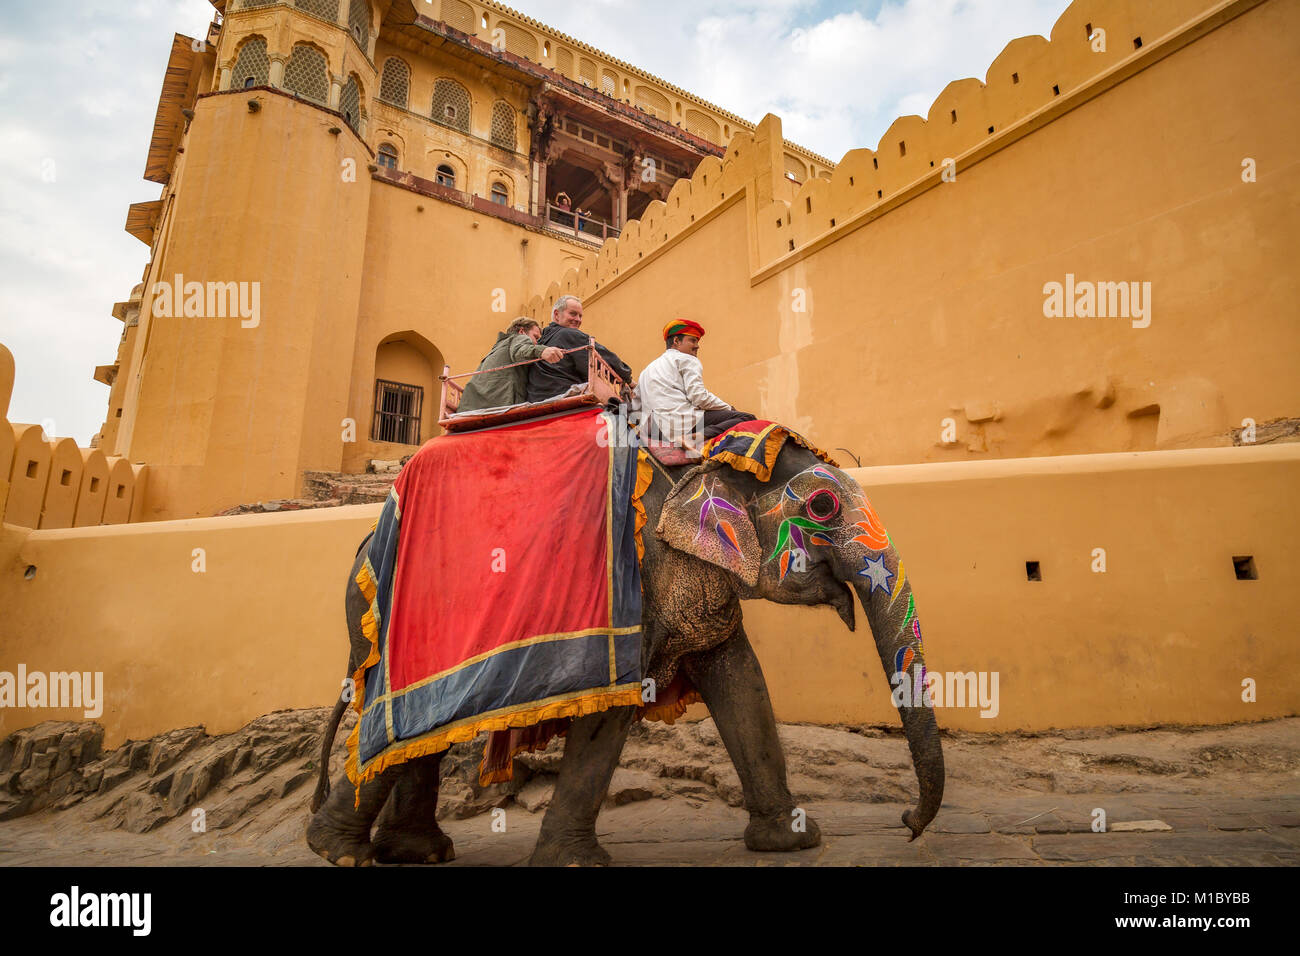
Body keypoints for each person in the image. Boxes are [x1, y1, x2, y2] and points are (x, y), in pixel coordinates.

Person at [637, 319, 755, 442]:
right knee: (747, 417)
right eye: (692, 340)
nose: (697, 345)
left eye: (697, 341)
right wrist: (728, 408)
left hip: (655, 431)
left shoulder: (647, 370)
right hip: (680, 424)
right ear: (676, 341)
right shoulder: (686, 359)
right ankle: (695, 438)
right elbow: (698, 397)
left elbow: (639, 402)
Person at [526, 295, 633, 403]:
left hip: (535, 402)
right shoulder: (568, 334)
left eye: (580, 316)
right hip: (563, 398)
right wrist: (629, 380)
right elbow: (607, 358)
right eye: (572, 314)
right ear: (557, 315)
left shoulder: (541, 341)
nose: (577, 319)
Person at [459, 317, 563, 412]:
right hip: (498, 405)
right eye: (535, 337)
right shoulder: (519, 338)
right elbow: (520, 350)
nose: (537, 343)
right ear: (522, 331)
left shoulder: (498, 348)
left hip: (470, 406)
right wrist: (542, 351)